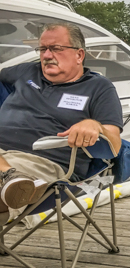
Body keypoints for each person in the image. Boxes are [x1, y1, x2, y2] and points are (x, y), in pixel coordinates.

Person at [0, 22, 123, 224]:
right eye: (42, 49)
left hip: (43, 163)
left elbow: (114, 144)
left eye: (56, 49)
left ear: (79, 55)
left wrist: (95, 126)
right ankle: (9, 174)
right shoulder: (26, 72)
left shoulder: (99, 88)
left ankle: (11, 177)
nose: (47, 55)